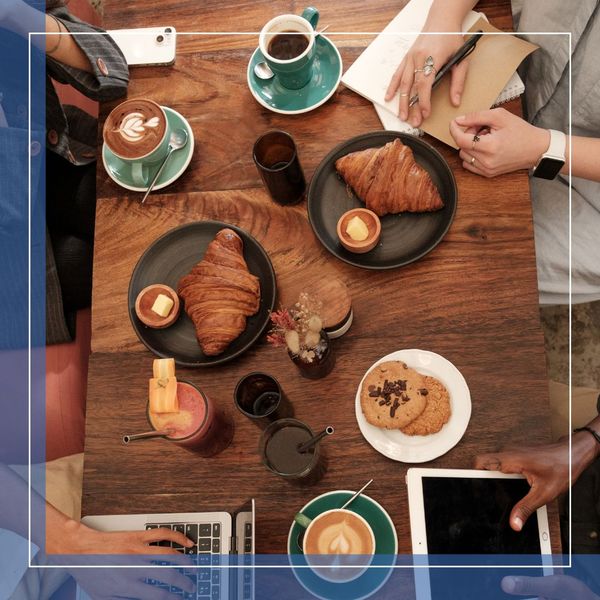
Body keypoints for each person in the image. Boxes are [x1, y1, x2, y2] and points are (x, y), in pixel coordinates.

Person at [385, 0, 600, 305]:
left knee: (467, 272)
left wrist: (544, 149)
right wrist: (442, 22)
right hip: (514, 71)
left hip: (588, 188)